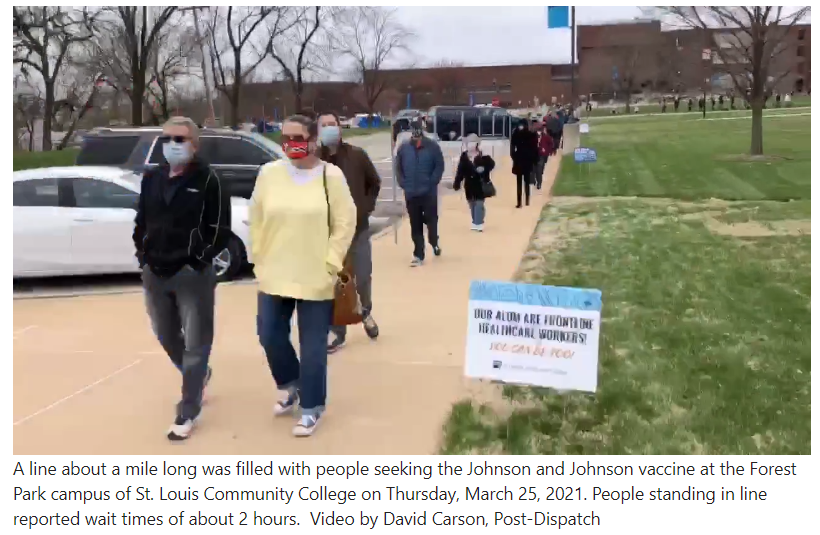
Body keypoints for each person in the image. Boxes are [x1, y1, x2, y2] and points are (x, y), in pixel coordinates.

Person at [250, 114, 356, 437]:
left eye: (298, 137)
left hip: (315, 274)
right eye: (286, 138)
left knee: (312, 346)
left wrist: (331, 261)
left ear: (313, 140)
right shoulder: (269, 174)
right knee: (269, 335)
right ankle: (290, 384)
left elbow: (345, 222)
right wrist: (259, 257)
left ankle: (312, 406)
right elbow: (256, 216)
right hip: (275, 271)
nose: (291, 144)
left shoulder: (331, 177)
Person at [133, 116, 231, 441]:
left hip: (192, 273)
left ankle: (188, 409)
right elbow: (141, 220)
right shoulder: (152, 178)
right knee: (164, 334)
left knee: (196, 343)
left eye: (180, 139)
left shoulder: (209, 180)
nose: (172, 144)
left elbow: (219, 230)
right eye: (167, 138)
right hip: (155, 271)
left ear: (194, 144)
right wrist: (143, 256)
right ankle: (200, 375)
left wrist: (198, 259)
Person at [317, 112, 382, 353]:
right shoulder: (315, 162)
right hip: (329, 235)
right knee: (336, 284)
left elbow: (374, 182)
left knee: (362, 277)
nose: (329, 129)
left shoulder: (357, 156)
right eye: (324, 125)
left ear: (340, 128)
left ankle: (365, 312)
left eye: (332, 124)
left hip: (358, 230)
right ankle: (338, 331)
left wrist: (365, 208)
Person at [395, 120, 444, 267]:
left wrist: (432, 181)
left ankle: (434, 242)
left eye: (418, 129)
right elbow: (398, 167)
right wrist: (403, 183)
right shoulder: (404, 148)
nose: (416, 133)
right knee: (415, 224)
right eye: (413, 130)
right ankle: (418, 254)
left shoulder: (432, 146)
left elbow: (439, 165)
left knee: (431, 221)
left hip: (428, 192)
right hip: (411, 193)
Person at [453, 134, 495, 232]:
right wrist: (457, 182)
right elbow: (460, 171)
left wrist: (485, 167)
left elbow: (492, 165)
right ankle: (476, 220)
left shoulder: (482, 155)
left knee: (479, 204)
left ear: (477, 143)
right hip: (469, 185)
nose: (471, 145)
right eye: (469, 143)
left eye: (473, 142)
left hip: (480, 184)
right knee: (472, 205)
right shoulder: (464, 156)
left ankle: (478, 224)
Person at [510, 118, 538, 208]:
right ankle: (524, 201)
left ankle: (522, 201)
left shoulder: (519, 134)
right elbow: (535, 149)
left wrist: (514, 157)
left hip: (522, 160)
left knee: (522, 182)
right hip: (524, 160)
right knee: (524, 182)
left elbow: (512, 148)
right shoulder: (531, 134)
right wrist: (534, 160)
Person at [534, 122, 554, 190]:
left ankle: (539, 183)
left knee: (539, 170)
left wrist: (548, 151)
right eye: (537, 131)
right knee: (535, 170)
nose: (538, 132)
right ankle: (537, 180)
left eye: (539, 131)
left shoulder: (546, 137)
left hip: (542, 155)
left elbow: (551, 144)